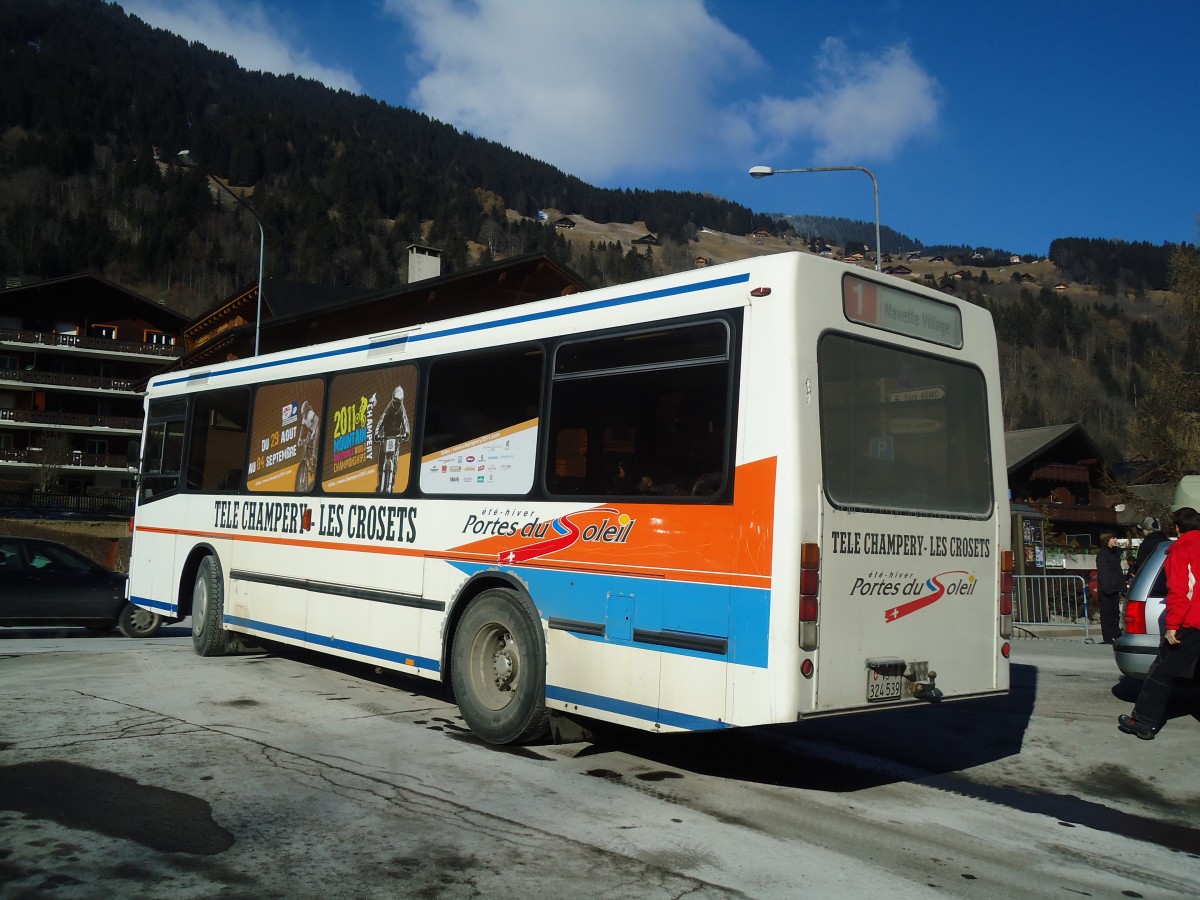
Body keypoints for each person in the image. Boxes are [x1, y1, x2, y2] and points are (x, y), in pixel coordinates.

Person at [1118, 507, 1200, 739]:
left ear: (1177, 527)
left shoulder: (1181, 550)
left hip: (1193, 622)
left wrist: (1173, 625)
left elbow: (1181, 591)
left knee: (1161, 672)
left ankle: (1143, 722)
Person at [1095, 531, 1125, 644]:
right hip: (1106, 589)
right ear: (1107, 540)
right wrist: (1107, 588)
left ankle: (1116, 633)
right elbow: (1103, 573)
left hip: (1115, 588)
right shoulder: (1103, 554)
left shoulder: (1115, 553)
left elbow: (1118, 572)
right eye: (1113, 538)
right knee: (1107, 613)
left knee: (1115, 613)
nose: (1116, 540)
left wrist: (1122, 587)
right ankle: (1108, 636)